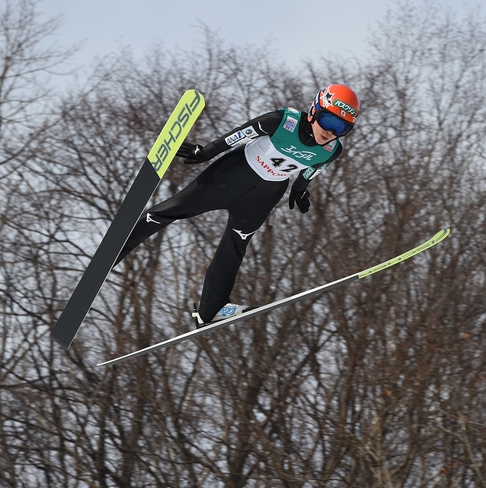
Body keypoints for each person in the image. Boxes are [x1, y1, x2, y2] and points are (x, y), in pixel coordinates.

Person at [116, 84, 360, 327]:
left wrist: (299, 189)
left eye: (341, 128)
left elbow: (312, 169)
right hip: (233, 174)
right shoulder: (282, 121)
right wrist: (206, 152)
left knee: (235, 246)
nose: (331, 132)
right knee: (172, 209)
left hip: (265, 195)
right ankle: (115, 252)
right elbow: (240, 134)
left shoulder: (331, 150)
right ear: (314, 110)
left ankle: (212, 309)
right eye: (328, 121)